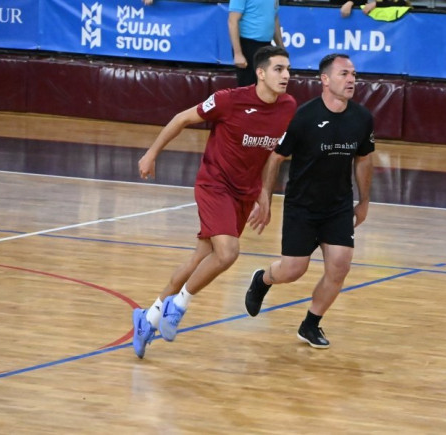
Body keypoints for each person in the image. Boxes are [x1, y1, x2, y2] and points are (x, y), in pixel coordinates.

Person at [132, 46, 297, 359]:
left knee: (200, 259)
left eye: (288, 69)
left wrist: (264, 192)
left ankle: (148, 318)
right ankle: (177, 306)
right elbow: (182, 118)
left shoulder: (288, 106)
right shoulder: (229, 100)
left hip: (244, 193)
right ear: (261, 73)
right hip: (214, 185)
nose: (286, 75)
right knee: (228, 252)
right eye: (279, 69)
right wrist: (151, 153)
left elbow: (270, 153)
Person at [245, 53, 375, 349]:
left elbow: (364, 159)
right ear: (325, 79)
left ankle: (310, 324)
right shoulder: (303, 116)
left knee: (340, 266)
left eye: (353, 74)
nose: (351, 80)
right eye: (344, 74)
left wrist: (364, 200)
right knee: (293, 270)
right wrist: (265, 198)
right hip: (302, 206)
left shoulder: (362, 118)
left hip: (338, 206)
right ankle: (262, 280)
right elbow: (275, 158)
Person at [228, 0, 285, 87]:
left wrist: (281, 48)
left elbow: (274, 18)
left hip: (267, 46)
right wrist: (238, 54)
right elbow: (232, 21)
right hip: (247, 46)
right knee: (248, 87)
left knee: (266, 86)